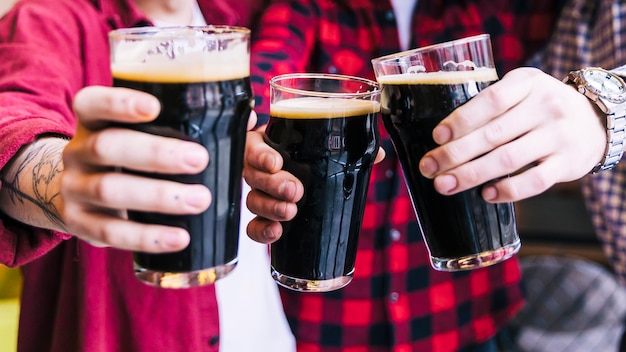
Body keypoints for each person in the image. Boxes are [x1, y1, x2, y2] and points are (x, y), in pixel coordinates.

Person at [242, 0, 625, 350]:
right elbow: (265, 71)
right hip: (333, 323)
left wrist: (602, 110)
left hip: (467, 314)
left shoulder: (496, 7)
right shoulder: (311, 7)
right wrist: (252, 136)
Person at [0, 0, 298, 351]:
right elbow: (13, 118)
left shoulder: (238, 15)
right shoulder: (51, 18)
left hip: (268, 336)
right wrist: (61, 181)